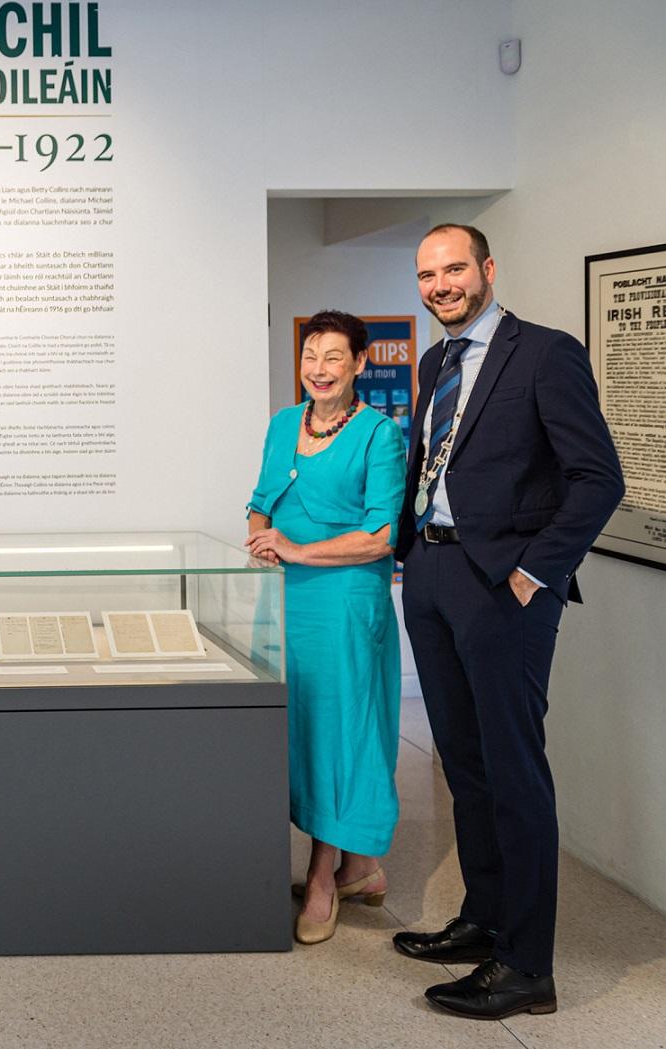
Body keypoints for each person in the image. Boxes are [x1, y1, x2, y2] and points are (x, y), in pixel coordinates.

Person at [393, 225, 624, 1020]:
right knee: (464, 763)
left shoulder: (545, 353)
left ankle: (527, 966)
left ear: (488, 269)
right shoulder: (434, 362)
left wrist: (535, 572)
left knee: (515, 771)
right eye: (427, 273)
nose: (440, 284)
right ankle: (484, 919)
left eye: (454, 268)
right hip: (431, 572)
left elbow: (598, 478)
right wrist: (409, 557)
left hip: (503, 586)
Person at [245, 310, 408, 946]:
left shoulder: (378, 435)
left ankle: (322, 877)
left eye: (334, 357)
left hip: (343, 603)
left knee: (341, 734)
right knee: (298, 727)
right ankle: (361, 868)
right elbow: (260, 499)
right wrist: (260, 535)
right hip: (285, 603)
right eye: (311, 355)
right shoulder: (283, 423)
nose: (319, 368)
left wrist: (295, 550)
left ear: (359, 364)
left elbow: (381, 536)